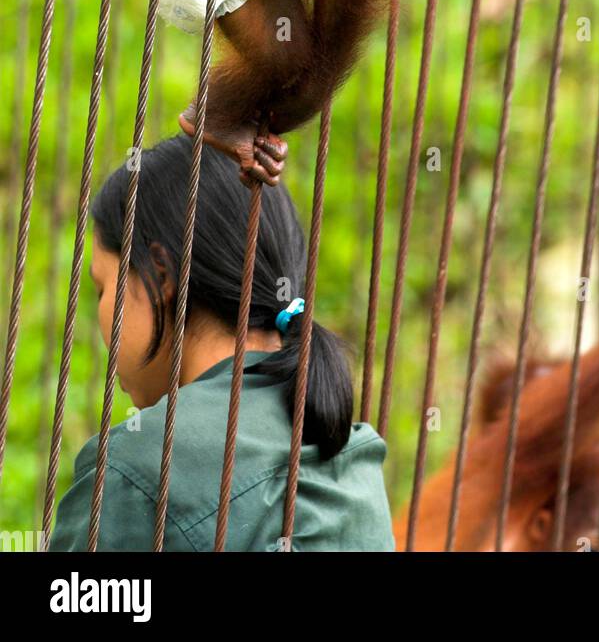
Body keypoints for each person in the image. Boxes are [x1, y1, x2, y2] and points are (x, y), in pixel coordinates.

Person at [48, 134, 395, 552]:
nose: (102, 319)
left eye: (103, 287)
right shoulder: (356, 466)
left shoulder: (136, 474)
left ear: (160, 275)